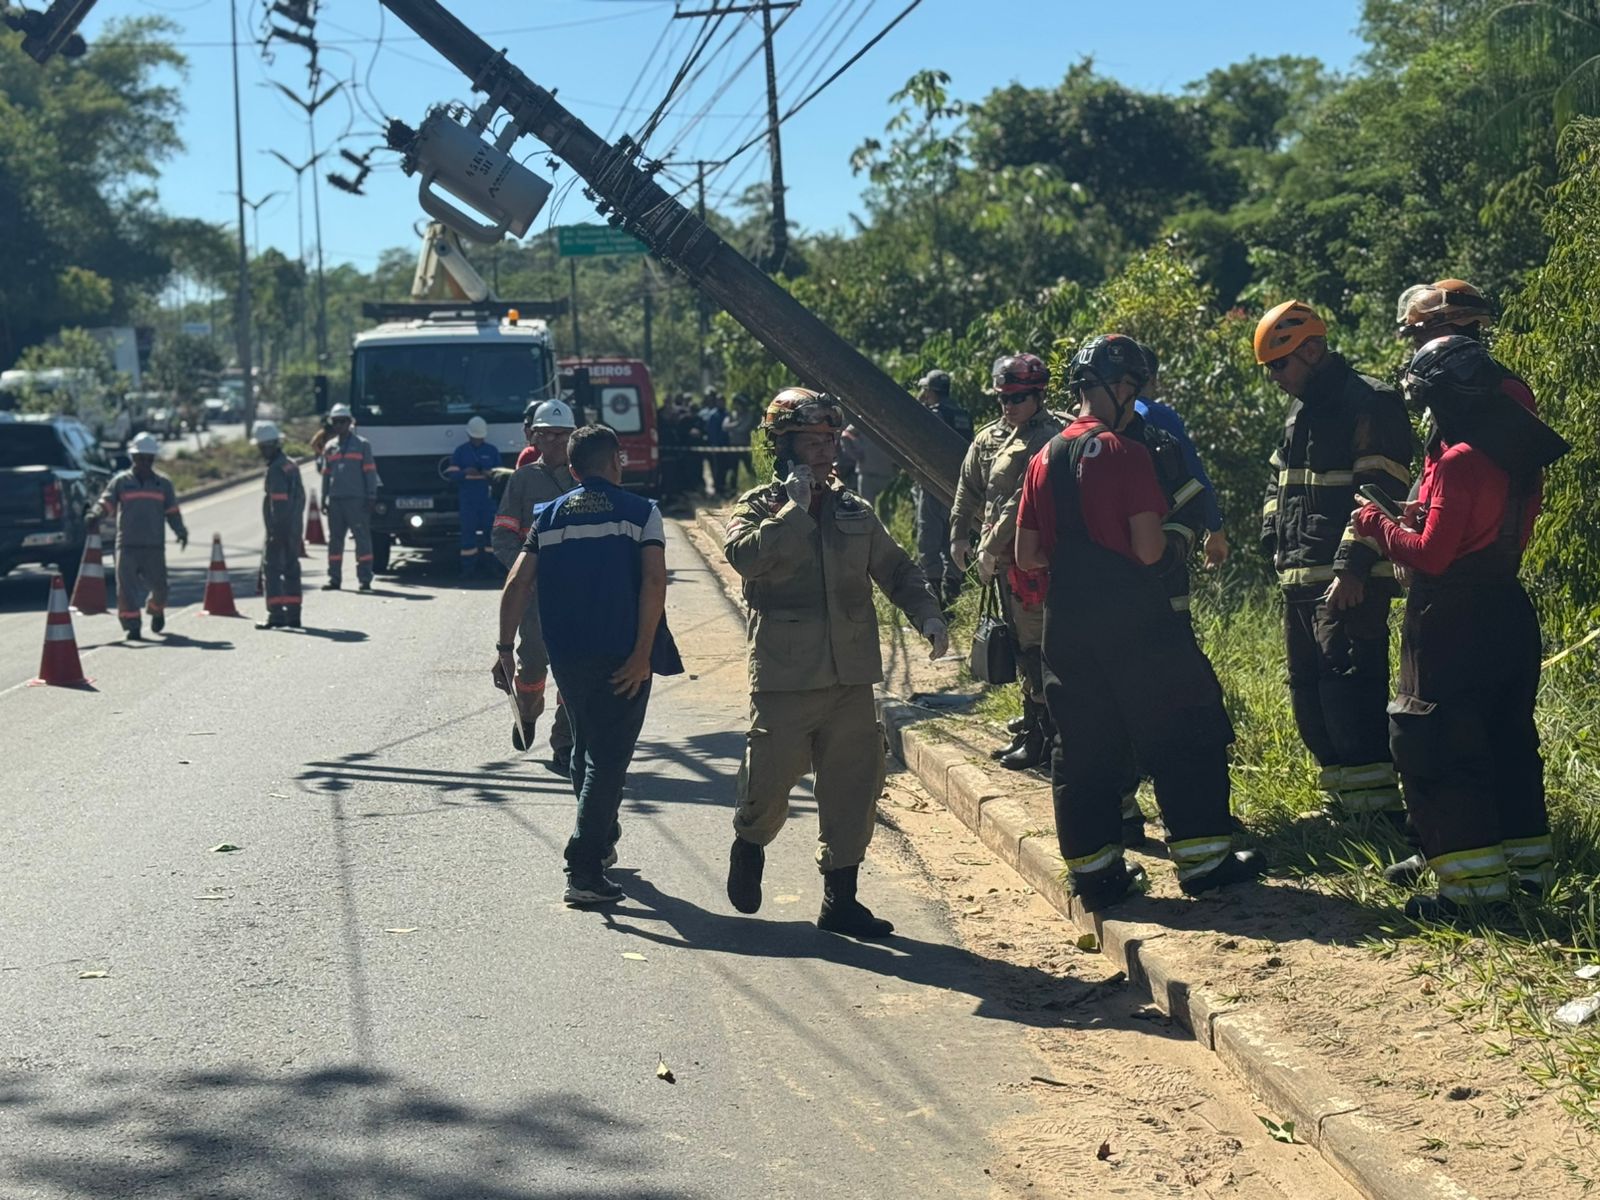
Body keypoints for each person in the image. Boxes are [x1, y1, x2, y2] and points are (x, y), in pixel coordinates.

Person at [1016, 334, 1264, 909]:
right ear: (1119, 387)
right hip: (1131, 615)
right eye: (1133, 386)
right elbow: (1149, 549)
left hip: (1065, 620)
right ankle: (1205, 864)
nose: (1135, 396)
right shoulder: (1127, 454)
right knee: (1185, 726)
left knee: (1082, 746)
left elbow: (1028, 556)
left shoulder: (1042, 457)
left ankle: (1097, 878)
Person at [1350, 336, 1568, 921]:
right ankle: (1527, 871)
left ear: (1444, 397)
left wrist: (1376, 524)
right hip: (1508, 610)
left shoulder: (1457, 460)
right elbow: (1486, 527)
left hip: (1451, 621)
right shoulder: (1516, 454)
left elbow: (1431, 554)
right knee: (1509, 742)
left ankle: (1471, 892)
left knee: (1443, 744)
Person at [723, 388, 949, 938]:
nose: (824, 451)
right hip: (785, 679)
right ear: (783, 445)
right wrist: (794, 512)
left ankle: (840, 901)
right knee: (768, 785)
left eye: (829, 440)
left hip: (851, 679)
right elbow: (746, 560)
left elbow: (896, 571)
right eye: (810, 440)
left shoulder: (854, 509)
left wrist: (928, 615)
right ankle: (749, 846)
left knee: (854, 789)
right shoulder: (759, 508)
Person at [496, 424, 681, 906]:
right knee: (608, 758)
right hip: (623, 656)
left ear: (573, 470)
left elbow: (516, 583)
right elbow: (654, 584)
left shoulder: (550, 516)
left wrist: (502, 648)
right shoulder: (642, 513)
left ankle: (600, 841)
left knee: (583, 749)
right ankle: (583, 865)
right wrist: (643, 654)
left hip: (569, 655)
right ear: (618, 461)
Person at [1256, 301, 1414, 820]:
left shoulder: (1369, 401)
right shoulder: (1299, 411)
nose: (1276, 377)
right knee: (1311, 695)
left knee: (1350, 690)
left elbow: (1382, 490)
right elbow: (1279, 480)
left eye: (1281, 364)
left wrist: (1352, 566)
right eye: (1271, 368)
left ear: (1314, 349)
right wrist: (1270, 536)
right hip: (1300, 576)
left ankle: (1379, 812)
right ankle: (1343, 804)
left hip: (1348, 580)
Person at [951, 353, 1063, 771]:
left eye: (1017, 398)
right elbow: (967, 487)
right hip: (1001, 564)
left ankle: (1047, 736)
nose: (1008, 406)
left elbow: (1023, 501)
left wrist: (989, 547)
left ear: (1037, 396)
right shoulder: (990, 437)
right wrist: (958, 535)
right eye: (1003, 398)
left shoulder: (1050, 436)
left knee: (1037, 648)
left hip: (1033, 562)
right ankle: (1035, 724)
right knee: (1018, 645)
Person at [491, 399, 579, 765]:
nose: (557, 441)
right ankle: (527, 714)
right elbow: (502, 536)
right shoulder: (523, 481)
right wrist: (526, 572)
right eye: (548, 435)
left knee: (573, 670)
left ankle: (564, 743)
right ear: (535, 437)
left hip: (577, 595)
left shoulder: (584, 480)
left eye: (563, 434)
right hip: (536, 598)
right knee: (532, 668)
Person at [1133, 344, 1228, 569]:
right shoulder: (1156, 415)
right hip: (1155, 537)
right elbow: (1195, 476)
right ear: (1152, 379)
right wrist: (1216, 530)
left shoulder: (1093, 418)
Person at [89, 431, 188, 641]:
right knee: (126, 590)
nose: (144, 462)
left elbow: (172, 511)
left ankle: (155, 609)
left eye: (148, 458)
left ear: (153, 459)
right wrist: (95, 514)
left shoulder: (163, 484)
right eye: (140, 458)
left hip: (154, 546)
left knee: (161, 588)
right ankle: (132, 625)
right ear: (133, 458)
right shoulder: (121, 482)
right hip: (127, 545)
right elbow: (106, 502)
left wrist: (180, 530)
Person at [912, 368, 975, 611]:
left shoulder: (933, 414)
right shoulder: (962, 414)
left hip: (932, 485)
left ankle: (935, 599)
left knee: (928, 540)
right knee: (954, 538)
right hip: (959, 487)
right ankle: (953, 599)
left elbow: (920, 438)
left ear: (930, 391)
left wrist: (920, 406)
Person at [319, 403, 378, 592]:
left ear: (350, 422)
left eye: (342, 421)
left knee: (362, 540)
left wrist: (371, 496)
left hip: (357, 500)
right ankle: (334, 578)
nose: (339, 426)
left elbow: (370, 473)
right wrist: (323, 498)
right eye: (335, 422)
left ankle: (364, 579)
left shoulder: (362, 445)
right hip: (336, 501)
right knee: (335, 541)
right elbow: (326, 475)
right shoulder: (329, 447)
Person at [255, 421, 305, 630]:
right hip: (293, 528)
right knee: (292, 569)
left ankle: (276, 615)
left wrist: (277, 531)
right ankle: (294, 615)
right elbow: (300, 498)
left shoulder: (276, 470)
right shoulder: (290, 464)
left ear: (269, 446)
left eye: (262, 447)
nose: (261, 451)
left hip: (280, 528)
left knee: (272, 570)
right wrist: (293, 526)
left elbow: (279, 502)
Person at [446, 415, 502, 579]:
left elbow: (500, 474)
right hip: (468, 499)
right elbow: (451, 474)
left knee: (491, 534)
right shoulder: (461, 451)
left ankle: (492, 567)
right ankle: (468, 569)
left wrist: (488, 473)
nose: (477, 440)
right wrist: (464, 473)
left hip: (486, 498)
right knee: (467, 535)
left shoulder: (491, 451)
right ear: (469, 435)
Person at [837, 422, 895, 506]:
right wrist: (854, 455)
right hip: (867, 474)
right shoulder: (863, 421)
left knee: (888, 510)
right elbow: (845, 434)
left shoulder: (890, 421)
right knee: (866, 508)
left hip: (886, 474)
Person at [722, 393, 758, 494]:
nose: (736, 406)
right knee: (733, 470)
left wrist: (733, 426)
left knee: (750, 469)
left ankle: (755, 487)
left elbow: (743, 428)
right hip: (733, 446)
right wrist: (737, 424)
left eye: (738, 404)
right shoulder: (732, 414)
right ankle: (732, 490)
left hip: (744, 446)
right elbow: (724, 426)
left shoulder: (748, 414)